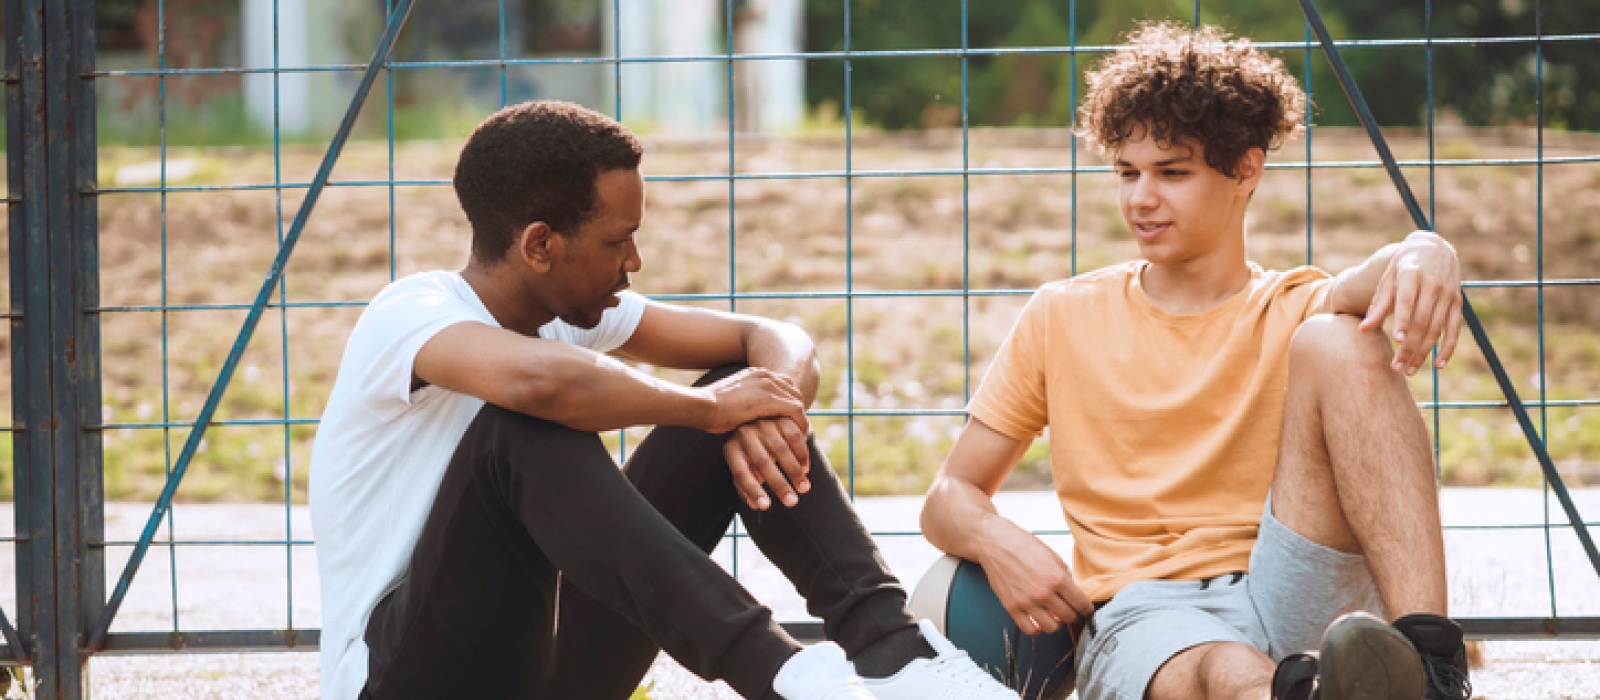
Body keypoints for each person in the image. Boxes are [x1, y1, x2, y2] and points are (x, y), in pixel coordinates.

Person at [308, 100, 1025, 700]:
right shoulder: (409, 314)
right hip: (406, 675)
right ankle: (789, 679)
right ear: (539, 245)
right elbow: (537, 383)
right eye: (618, 240)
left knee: (730, 388)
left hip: (552, 666)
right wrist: (711, 412)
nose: (634, 263)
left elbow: (770, 336)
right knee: (525, 427)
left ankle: (896, 655)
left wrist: (756, 404)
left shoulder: (573, 310)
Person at [920, 22, 1472, 700]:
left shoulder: (1293, 303)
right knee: (1221, 669)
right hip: (1147, 611)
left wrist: (1425, 249)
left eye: (1172, 172)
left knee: (1342, 338)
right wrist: (1000, 544)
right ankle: (1299, 695)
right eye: (1127, 172)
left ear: (1245, 169)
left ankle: (1430, 666)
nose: (1140, 198)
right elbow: (948, 495)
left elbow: (1372, 276)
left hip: (1292, 576)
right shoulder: (1060, 315)